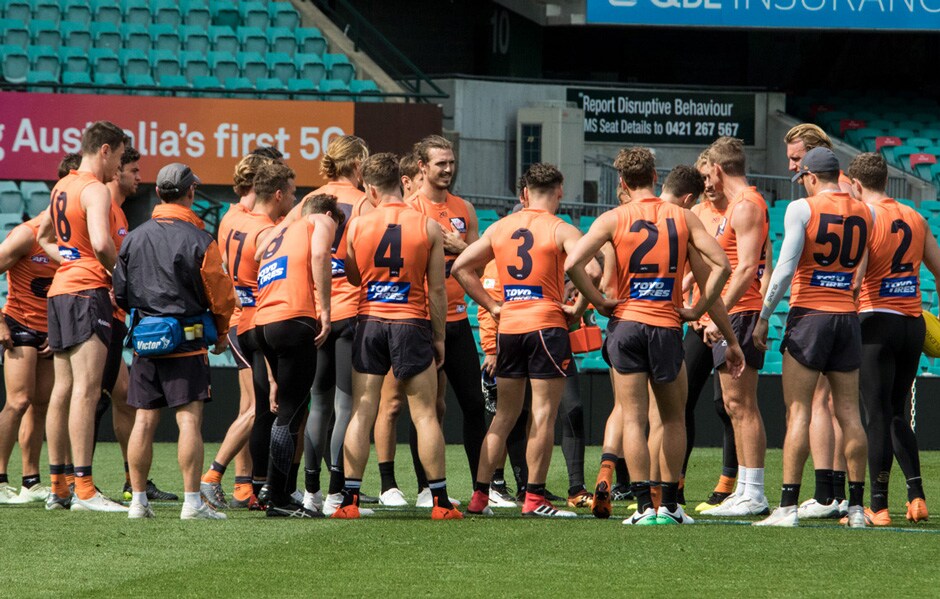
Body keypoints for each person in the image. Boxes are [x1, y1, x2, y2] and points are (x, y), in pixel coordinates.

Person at [567, 147, 742, 525]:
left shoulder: (613, 218)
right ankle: (671, 506)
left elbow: (572, 263)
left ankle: (644, 507)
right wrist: (697, 311)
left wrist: (598, 301)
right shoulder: (682, 217)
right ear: (654, 176)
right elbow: (724, 265)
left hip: (627, 323)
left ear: (623, 182)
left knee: (633, 418)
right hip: (665, 326)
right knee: (673, 418)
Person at [333, 152, 462, 520]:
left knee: (362, 410)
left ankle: (350, 501)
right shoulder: (428, 227)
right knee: (424, 416)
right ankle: (440, 503)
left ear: (371, 188)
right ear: (402, 183)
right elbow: (437, 290)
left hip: (370, 321)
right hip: (411, 323)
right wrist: (439, 337)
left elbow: (354, 277)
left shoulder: (357, 225)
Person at [456, 163, 589, 518]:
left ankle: (480, 497)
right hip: (546, 325)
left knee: (504, 415)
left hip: (510, 327)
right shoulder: (561, 228)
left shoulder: (501, 227)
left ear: (525, 192)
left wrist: (493, 306)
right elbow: (591, 266)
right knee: (543, 415)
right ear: (559, 191)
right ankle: (534, 498)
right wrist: (579, 305)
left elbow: (460, 268)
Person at [753, 147, 872, 528]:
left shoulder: (802, 209)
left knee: (799, 411)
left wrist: (764, 316)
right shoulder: (863, 210)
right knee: (850, 414)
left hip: (810, 316)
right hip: (846, 317)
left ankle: (787, 507)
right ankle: (855, 508)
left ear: (810, 176)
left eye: (802, 178)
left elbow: (786, 267)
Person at [115, 162, 235, 520]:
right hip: (188, 341)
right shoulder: (201, 239)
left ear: (158, 194)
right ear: (191, 193)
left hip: (146, 341)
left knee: (144, 422)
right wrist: (223, 332)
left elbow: (120, 294)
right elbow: (221, 297)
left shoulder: (133, 237)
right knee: (188, 422)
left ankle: (137, 502)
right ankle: (192, 503)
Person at [42, 121, 125, 512]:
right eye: (120, 157)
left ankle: (58, 486)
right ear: (105, 150)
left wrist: (70, 259)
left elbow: (44, 237)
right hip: (86, 292)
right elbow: (103, 243)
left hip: (60, 292)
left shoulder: (62, 186)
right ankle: (85, 490)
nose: (119, 168)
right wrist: (119, 274)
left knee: (63, 390)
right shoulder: (93, 189)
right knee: (87, 392)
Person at [850, 152, 934, 524]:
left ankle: (879, 505)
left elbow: (856, 278)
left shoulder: (865, 217)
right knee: (899, 410)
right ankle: (916, 497)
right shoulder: (915, 216)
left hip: (876, 321)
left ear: (855, 184)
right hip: (911, 323)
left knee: (877, 415)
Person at [294, 136, 375, 515]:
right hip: (350, 311)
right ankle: (336, 494)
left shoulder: (309, 201)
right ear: (358, 164)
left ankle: (310, 493)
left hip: (313, 312)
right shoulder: (363, 202)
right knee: (347, 407)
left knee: (317, 406)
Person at [408, 135, 487, 505]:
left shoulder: (464, 208)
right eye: (441, 163)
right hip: (424, 320)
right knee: (428, 406)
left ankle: (481, 490)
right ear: (421, 167)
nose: (448, 169)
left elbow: (481, 262)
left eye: (451, 162)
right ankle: (427, 488)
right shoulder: (411, 209)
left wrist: (459, 246)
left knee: (473, 404)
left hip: (458, 321)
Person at [696, 138, 771, 517]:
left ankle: (754, 491)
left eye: (709, 172)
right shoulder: (742, 206)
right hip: (734, 313)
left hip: (740, 312)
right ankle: (745, 488)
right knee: (733, 403)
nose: (707, 180)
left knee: (742, 404)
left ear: (720, 170)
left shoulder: (746, 206)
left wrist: (715, 313)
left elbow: (745, 268)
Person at [254, 193, 337, 517]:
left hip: (264, 321)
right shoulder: (322, 219)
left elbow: (259, 252)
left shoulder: (282, 230)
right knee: (290, 413)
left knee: (289, 412)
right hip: (294, 318)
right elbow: (319, 255)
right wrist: (325, 311)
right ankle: (279, 498)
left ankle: (279, 491)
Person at [200, 153, 275, 510]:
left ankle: (244, 485)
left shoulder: (230, 217)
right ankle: (213, 475)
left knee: (251, 405)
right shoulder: (259, 226)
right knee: (256, 407)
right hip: (250, 320)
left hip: (236, 319)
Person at [0, 210, 58, 503]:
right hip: (18, 324)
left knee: (40, 404)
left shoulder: (69, 237)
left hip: (49, 333)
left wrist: (57, 330)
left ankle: (30, 482)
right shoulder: (26, 235)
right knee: (18, 400)